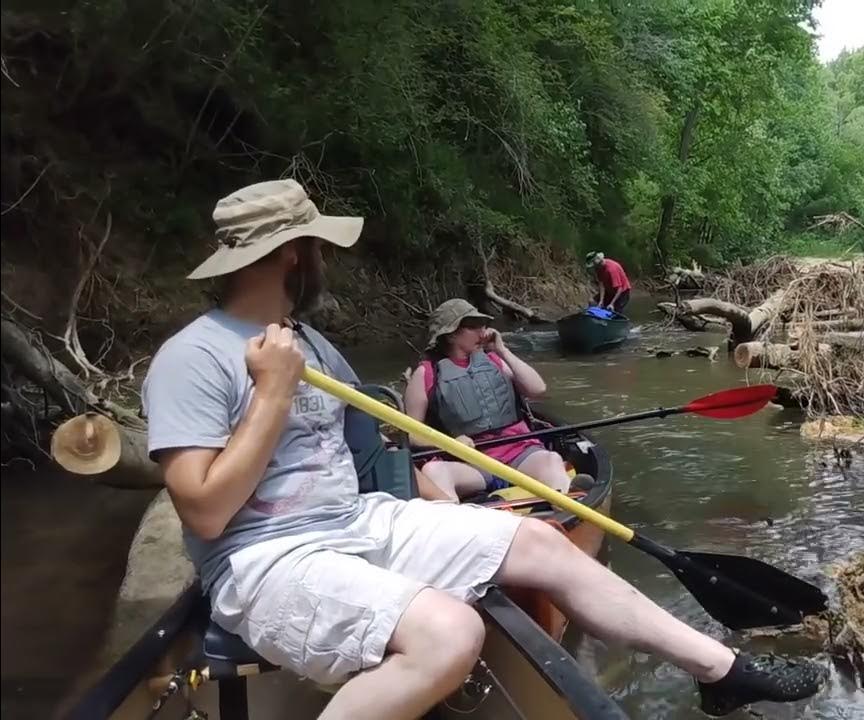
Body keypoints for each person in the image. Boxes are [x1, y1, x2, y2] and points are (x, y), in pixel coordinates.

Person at [142, 179, 825, 720]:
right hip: (266, 559)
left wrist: (390, 426)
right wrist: (269, 397)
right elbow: (202, 513)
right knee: (450, 634)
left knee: (542, 544)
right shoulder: (192, 357)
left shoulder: (310, 343)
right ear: (293, 253)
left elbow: (366, 436)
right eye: (319, 248)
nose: (325, 262)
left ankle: (722, 674)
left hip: (355, 523)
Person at [403, 298, 584, 501]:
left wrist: (502, 350)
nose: (482, 332)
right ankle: (454, 524)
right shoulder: (425, 374)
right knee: (433, 471)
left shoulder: (495, 360)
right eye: (473, 326)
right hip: (472, 462)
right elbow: (410, 433)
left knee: (551, 460)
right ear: (451, 334)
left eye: (483, 325)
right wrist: (449, 443)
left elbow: (538, 389)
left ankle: (568, 506)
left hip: (520, 451)